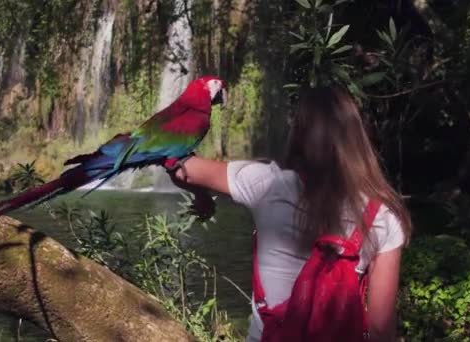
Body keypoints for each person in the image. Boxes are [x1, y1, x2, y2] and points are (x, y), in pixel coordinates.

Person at [166, 85, 412, 341]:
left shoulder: (265, 184)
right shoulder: (383, 215)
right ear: (357, 138)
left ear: (299, 134)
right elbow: (381, 330)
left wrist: (202, 197)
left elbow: (181, 169)